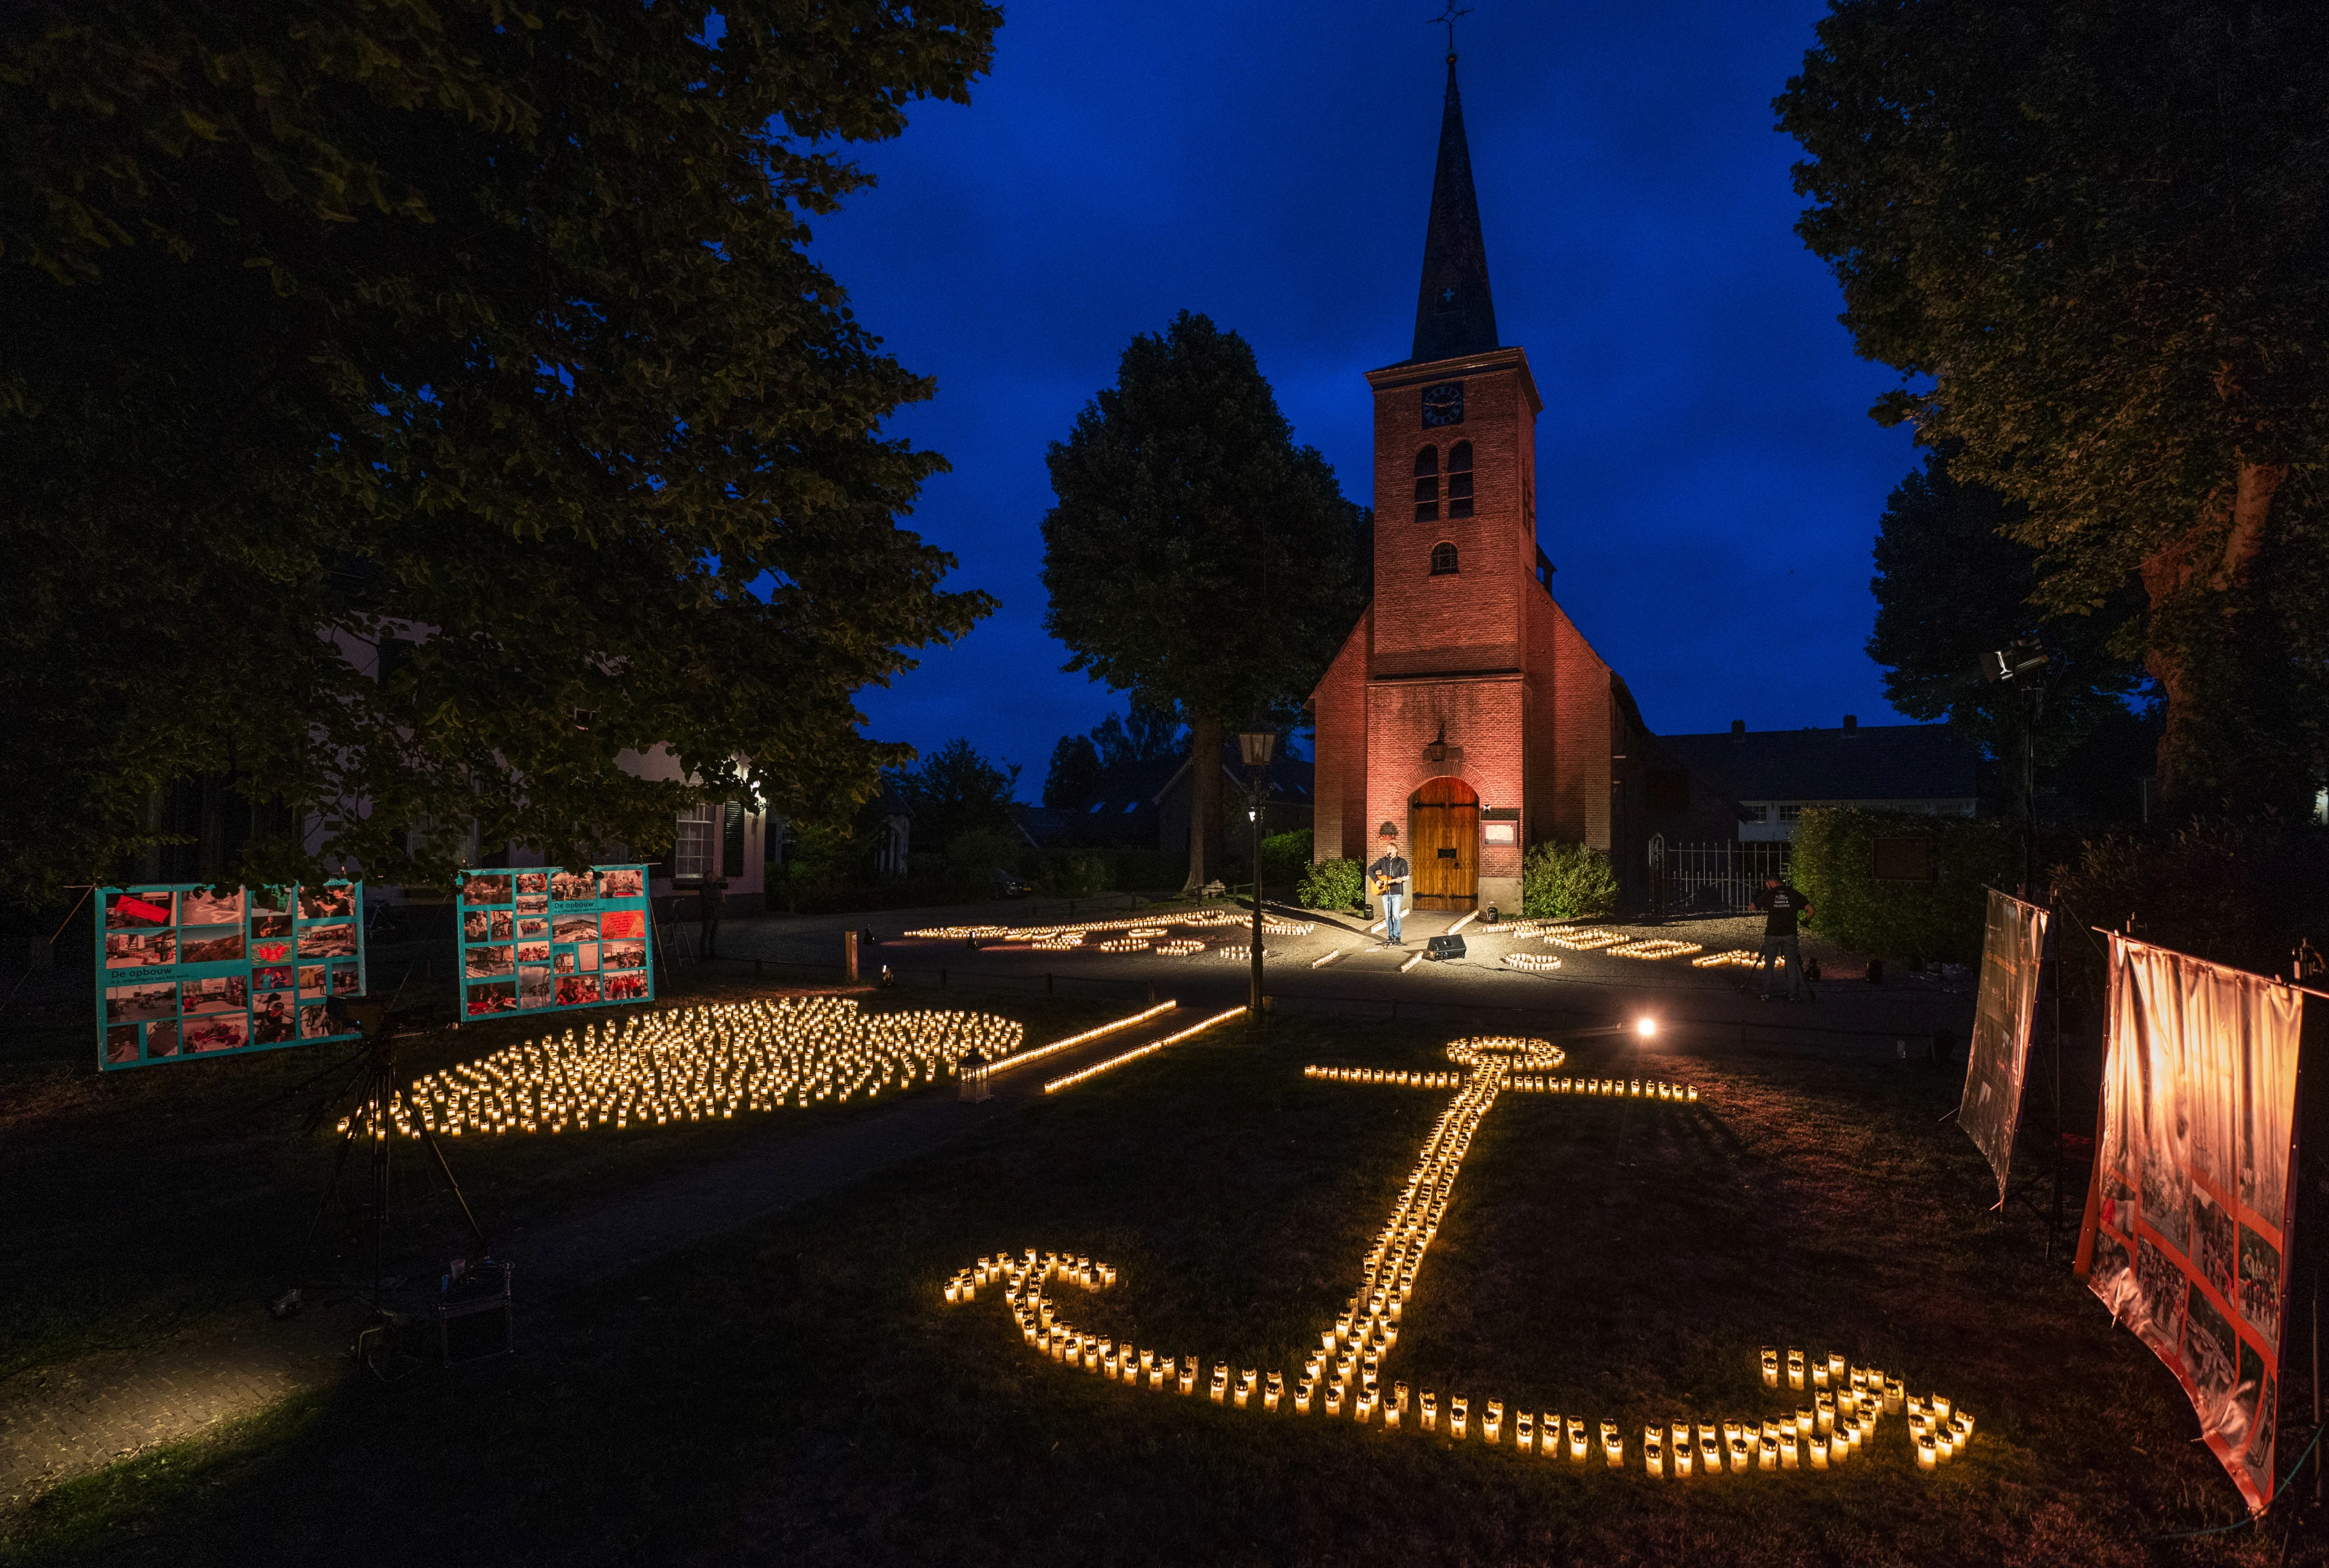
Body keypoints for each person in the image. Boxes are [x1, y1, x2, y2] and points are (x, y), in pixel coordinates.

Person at [1753, 873, 1814, 1001]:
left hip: (1772, 934)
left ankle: (1766, 993)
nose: (1767, 887)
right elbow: (1811, 910)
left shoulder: (1769, 894)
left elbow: (1753, 906)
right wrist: (1806, 921)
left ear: (1771, 882)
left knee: (1769, 964)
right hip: (1790, 934)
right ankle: (1793, 995)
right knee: (1792, 966)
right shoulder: (1794, 894)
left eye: (1767, 884)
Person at [1367, 823, 1412, 947]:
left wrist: (1401, 880)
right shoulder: (1383, 861)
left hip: (1397, 892)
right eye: (1388, 849)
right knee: (1387, 916)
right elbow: (1370, 870)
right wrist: (1376, 880)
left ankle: (1397, 937)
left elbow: (1405, 875)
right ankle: (1390, 937)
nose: (1389, 851)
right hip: (1385, 893)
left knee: (1396, 915)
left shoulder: (1402, 862)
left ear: (1396, 850)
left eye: (1391, 849)